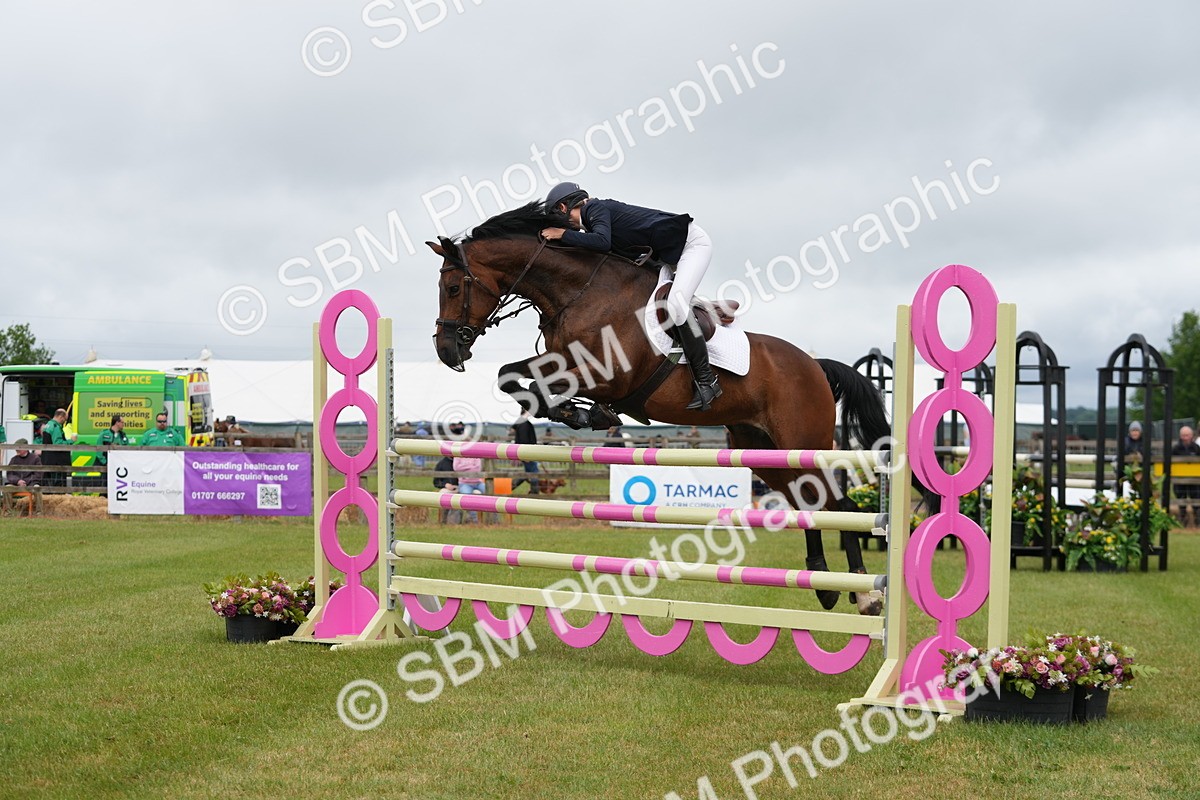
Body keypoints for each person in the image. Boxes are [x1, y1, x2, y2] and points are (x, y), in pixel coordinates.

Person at [540, 182, 721, 411]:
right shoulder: (593, 222)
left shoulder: (595, 209)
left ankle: (707, 380)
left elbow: (602, 243)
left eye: (560, 221)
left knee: (675, 304)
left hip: (691, 245)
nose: (567, 227)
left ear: (564, 208)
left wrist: (562, 234)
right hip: (666, 257)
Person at [1171, 425, 1200, 526]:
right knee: (1181, 501)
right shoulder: (1175, 448)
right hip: (1179, 480)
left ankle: (1197, 523)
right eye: (1183, 435)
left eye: (1187, 435)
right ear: (1180, 436)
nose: (1185, 437)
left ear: (1191, 436)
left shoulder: (1196, 448)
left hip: (1194, 480)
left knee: (1196, 501)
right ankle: (1182, 523)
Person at [41, 408, 76, 486]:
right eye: (64, 420)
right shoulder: (55, 427)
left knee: (48, 484)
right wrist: (71, 441)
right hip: (56, 461)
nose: (64, 422)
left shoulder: (48, 425)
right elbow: (58, 444)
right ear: (61, 417)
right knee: (58, 484)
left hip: (47, 460)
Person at [510, 409, 540, 494]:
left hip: (527, 453)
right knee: (534, 473)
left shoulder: (522, 423)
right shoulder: (524, 424)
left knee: (527, 473)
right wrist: (525, 455)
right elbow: (524, 440)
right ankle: (534, 493)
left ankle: (509, 487)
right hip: (528, 453)